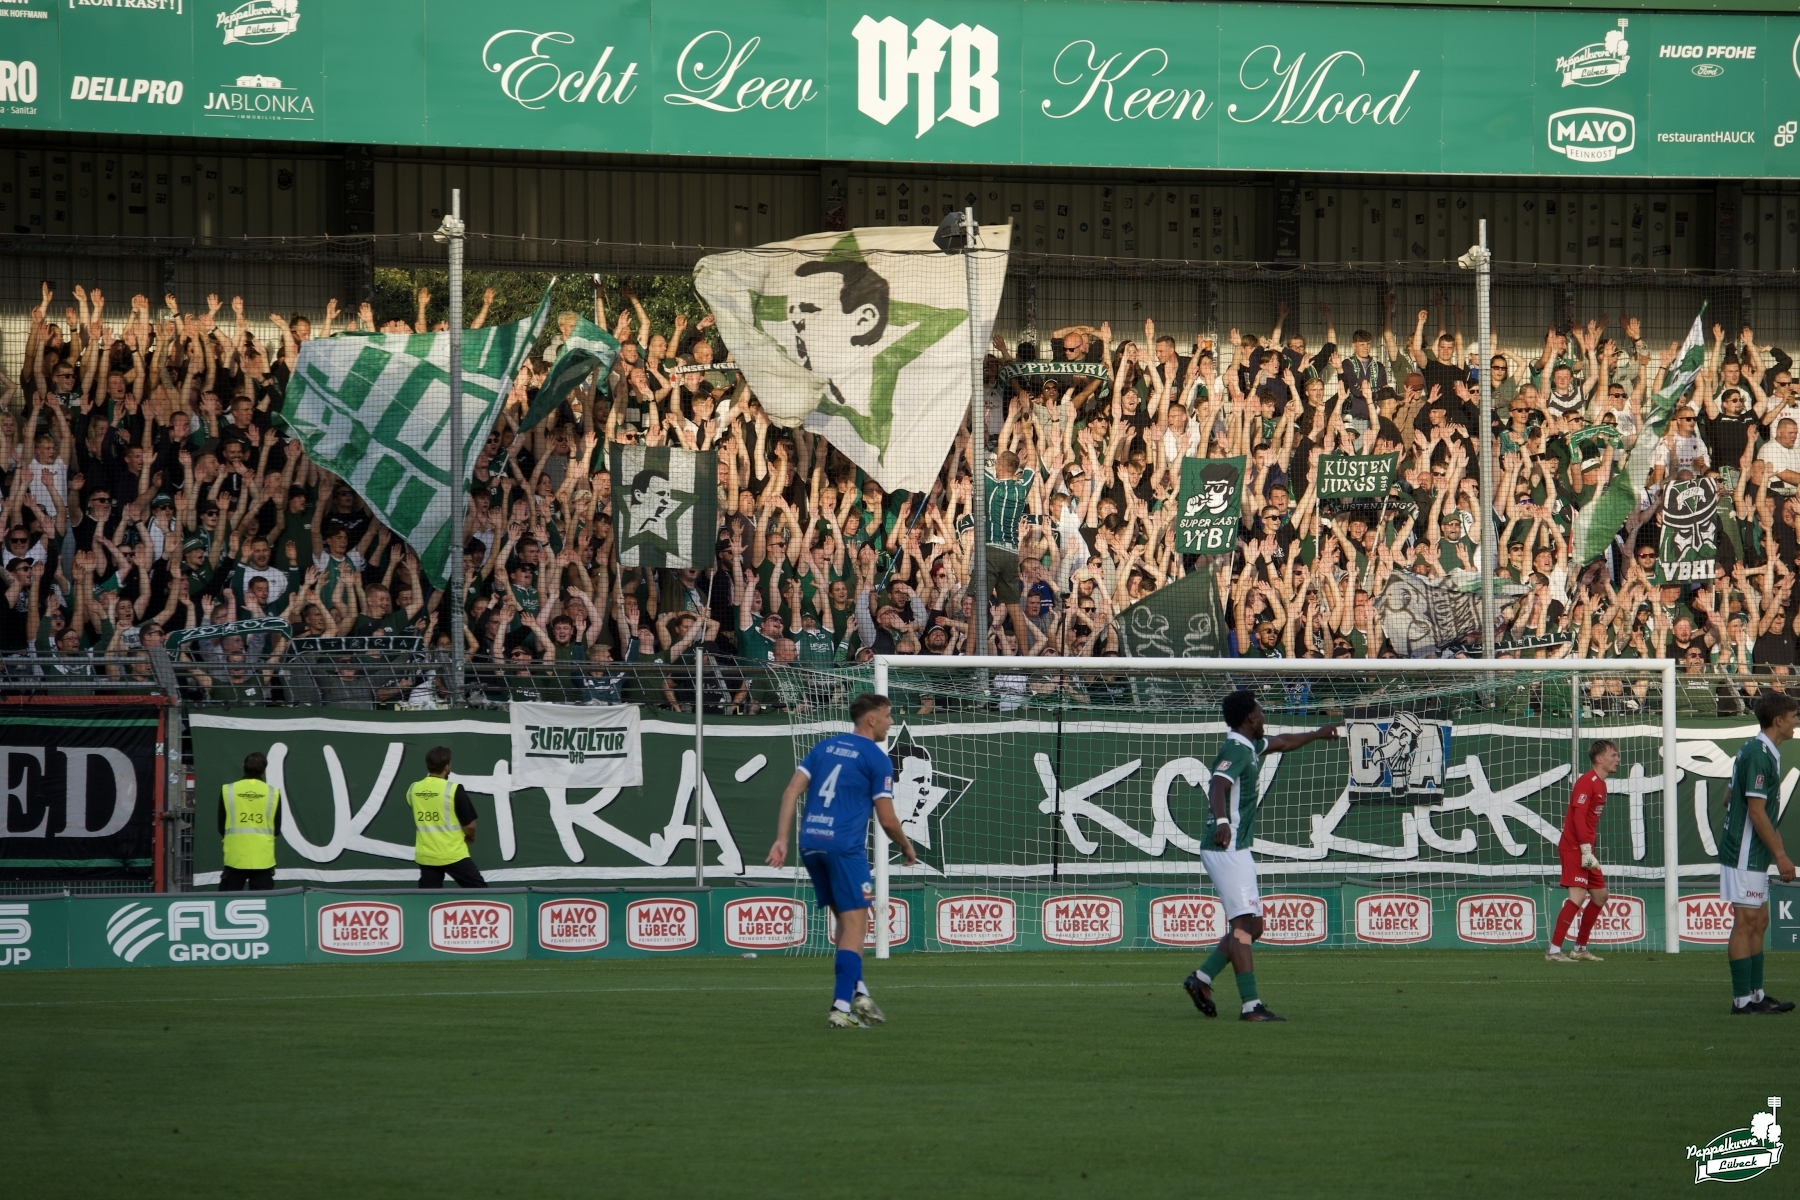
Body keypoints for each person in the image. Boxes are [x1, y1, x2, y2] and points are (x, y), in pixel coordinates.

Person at [1183, 690, 1340, 1022]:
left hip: (1235, 848)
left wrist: (1316, 733)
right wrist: (1223, 822)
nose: (1264, 716)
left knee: (1253, 925)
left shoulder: (1250, 747)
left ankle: (1202, 978)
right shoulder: (1235, 749)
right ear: (1250, 718)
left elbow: (1282, 742)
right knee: (1242, 925)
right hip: (1227, 847)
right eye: (1261, 711)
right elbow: (1216, 785)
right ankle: (1251, 1005)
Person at [766, 692, 917, 1029]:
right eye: (889, 716)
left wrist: (781, 840)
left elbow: (791, 791)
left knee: (846, 923)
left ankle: (859, 991)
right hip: (844, 848)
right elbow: (888, 820)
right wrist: (907, 847)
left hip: (810, 845)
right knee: (855, 925)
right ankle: (840, 1007)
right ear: (872, 719)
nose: (891, 723)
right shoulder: (877, 759)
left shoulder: (825, 747)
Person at [1718, 692, 1798, 1014]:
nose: (1796, 721)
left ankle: (1756, 995)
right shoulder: (1760, 754)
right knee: (1746, 921)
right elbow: (1756, 812)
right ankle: (1742, 1002)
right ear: (1778, 720)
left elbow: (1728, 797)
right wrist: (1780, 855)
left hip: (1752, 852)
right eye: (1794, 715)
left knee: (1759, 920)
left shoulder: (1759, 751)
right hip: (1743, 853)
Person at [1546, 739, 1620, 962]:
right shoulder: (1585, 782)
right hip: (1575, 847)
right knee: (1577, 896)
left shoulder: (1601, 784)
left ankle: (1579, 948)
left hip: (1587, 849)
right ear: (1599, 759)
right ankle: (1553, 951)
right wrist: (1585, 849)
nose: (1617, 759)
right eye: (1613, 755)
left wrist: (1589, 850)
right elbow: (1577, 817)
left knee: (1600, 896)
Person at [407, 745, 487, 888]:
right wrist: (470, 837)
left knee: (427, 901)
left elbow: (419, 809)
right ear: (447, 767)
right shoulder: (454, 789)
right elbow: (470, 826)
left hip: (427, 856)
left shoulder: (413, 789)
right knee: (482, 895)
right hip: (453, 854)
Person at [218, 751, 281, 891]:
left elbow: (221, 826)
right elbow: (277, 829)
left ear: (243, 766)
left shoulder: (228, 790)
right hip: (263, 859)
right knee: (264, 904)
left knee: (225, 902)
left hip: (235, 857)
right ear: (264, 771)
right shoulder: (273, 793)